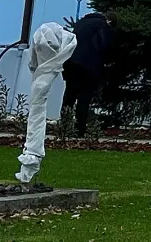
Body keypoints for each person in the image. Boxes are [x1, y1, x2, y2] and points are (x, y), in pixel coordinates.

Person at [16, 20, 75, 183]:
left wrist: (36, 69)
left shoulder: (45, 38)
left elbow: (32, 60)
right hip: (43, 77)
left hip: (41, 78)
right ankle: (32, 157)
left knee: (36, 114)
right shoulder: (67, 41)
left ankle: (32, 157)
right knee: (36, 114)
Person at [60, 9, 112, 137]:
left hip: (70, 62)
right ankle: (79, 129)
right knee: (84, 96)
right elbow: (104, 45)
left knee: (70, 95)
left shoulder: (81, 22)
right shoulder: (102, 25)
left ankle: (64, 126)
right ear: (109, 21)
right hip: (88, 65)